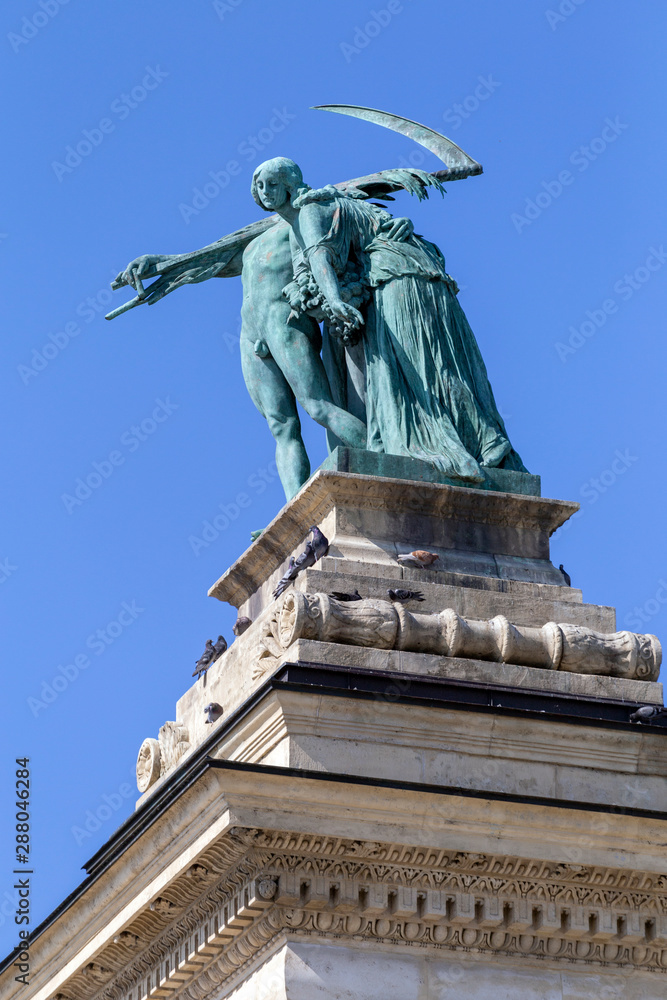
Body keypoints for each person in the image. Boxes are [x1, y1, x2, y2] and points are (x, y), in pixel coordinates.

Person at [252, 157, 528, 484]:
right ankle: (486, 440)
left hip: (395, 281)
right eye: (260, 185)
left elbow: (320, 257)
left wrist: (336, 300)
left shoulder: (311, 210)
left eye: (273, 184)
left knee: (414, 371)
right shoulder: (333, 203)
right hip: (426, 275)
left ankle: (422, 446)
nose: (266, 191)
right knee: (442, 366)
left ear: (290, 186)